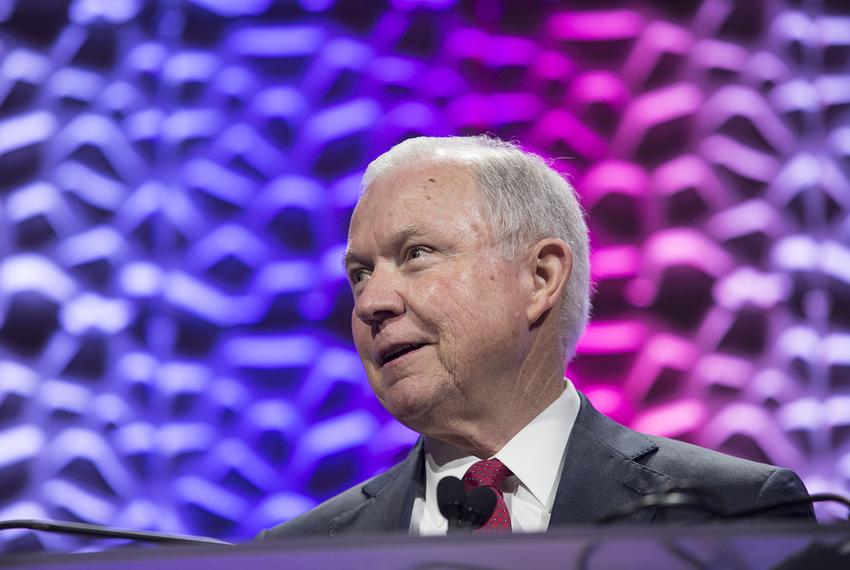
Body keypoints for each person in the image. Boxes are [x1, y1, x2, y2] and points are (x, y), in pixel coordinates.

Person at [257, 135, 814, 540]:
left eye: (416, 255)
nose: (372, 303)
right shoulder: (297, 553)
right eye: (360, 274)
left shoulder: (732, 513)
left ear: (540, 278)